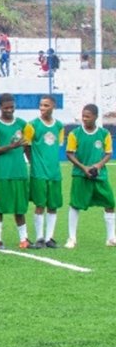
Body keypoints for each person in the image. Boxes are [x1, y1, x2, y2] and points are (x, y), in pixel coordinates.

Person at [64, 103, 116, 249]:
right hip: (80, 175)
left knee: (110, 203)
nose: (84, 119)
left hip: (100, 176)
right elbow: (69, 153)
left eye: (88, 116)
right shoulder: (75, 134)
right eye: (83, 116)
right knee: (75, 205)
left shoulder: (104, 134)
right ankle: (71, 238)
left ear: (95, 117)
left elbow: (108, 153)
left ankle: (111, 238)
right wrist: (84, 168)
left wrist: (98, 166)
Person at [0, 92, 30, 250]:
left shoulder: (23, 124)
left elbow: (27, 147)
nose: (9, 110)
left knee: (20, 207)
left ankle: (24, 239)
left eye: (12, 107)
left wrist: (31, 163)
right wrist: (11, 147)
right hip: (3, 173)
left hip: (20, 172)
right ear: (0, 107)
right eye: (6, 107)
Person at [25, 95, 64, 248]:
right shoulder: (32, 125)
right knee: (40, 205)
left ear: (53, 106)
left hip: (54, 172)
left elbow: (57, 146)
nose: (42, 108)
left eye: (46, 105)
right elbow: (26, 146)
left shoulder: (59, 126)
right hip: (39, 172)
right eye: (41, 105)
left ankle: (50, 238)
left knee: (53, 205)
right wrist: (34, 163)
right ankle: (40, 237)